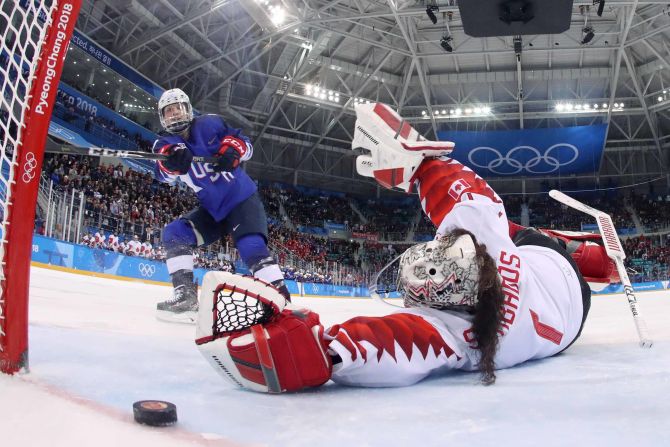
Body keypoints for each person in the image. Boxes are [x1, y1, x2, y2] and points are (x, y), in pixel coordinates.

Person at [195, 102, 615, 392]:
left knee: (513, 233)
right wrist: (419, 164)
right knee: (520, 233)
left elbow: (392, 343)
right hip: (548, 263)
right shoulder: (489, 257)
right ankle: (584, 253)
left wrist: (320, 352)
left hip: (564, 319)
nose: (437, 249)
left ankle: (583, 257)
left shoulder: (461, 338)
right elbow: (472, 201)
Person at [152, 88, 289, 323]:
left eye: (178, 109)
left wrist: (234, 150)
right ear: (162, 118)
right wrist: (171, 162)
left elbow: (245, 145)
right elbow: (163, 175)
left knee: (250, 247)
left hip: (241, 201)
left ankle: (282, 303)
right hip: (213, 211)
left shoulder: (210, 124)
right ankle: (185, 295)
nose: (174, 115)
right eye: (169, 111)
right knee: (174, 233)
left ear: (188, 110)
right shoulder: (165, 144)